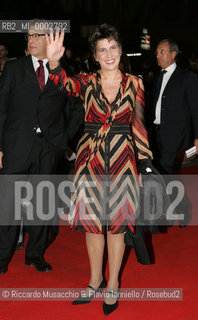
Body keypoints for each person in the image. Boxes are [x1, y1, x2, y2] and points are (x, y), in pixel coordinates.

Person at [46, 23, 152, 315]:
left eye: (113, 48)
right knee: (92, 225)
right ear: (94, 55)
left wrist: (144, 163)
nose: (109, 54)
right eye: (102, 49)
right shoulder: (87, 81)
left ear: (120, 51)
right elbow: (64, 84)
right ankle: (95, 280)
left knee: (116, 225)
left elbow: (139, 124)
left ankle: (113, 283)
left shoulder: (135, 82)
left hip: (122, 159)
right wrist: (54, 63)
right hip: (90, 159)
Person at [0, 19, 83, 275]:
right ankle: (2, 258)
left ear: (50, 39)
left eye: (37, 35)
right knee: (8, 205)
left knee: (42, 206)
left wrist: (64, 138)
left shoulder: (64, 70)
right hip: (16, 146)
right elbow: (1, 108)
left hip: (49, 148)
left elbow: (78, 108)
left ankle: (34, 255)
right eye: (28, 36)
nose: (31, 40)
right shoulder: (13, 68)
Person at [150, 39, 198, 174]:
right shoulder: (158, 77)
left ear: (173, 54)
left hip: (178, 137)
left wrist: (197, 139)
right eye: (157, 52)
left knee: (175, 174)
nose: (157, 55)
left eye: (162, 52)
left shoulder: (187, 77)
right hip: (158, 136)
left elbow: (196, 109)